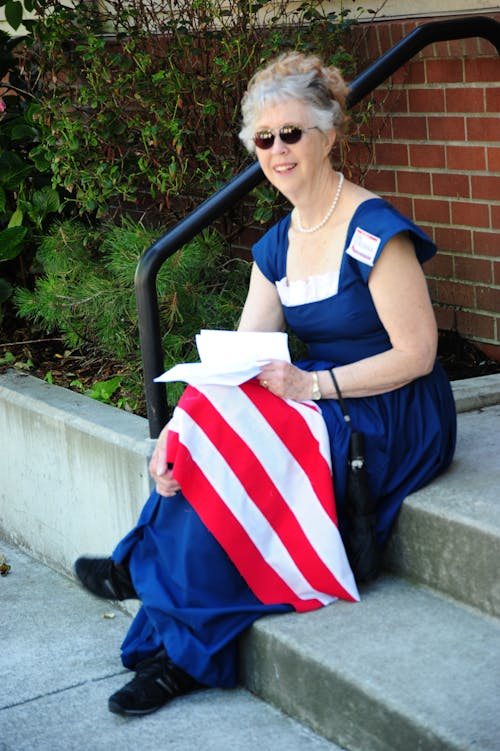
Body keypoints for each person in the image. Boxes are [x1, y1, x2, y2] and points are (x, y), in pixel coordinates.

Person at [75, 52, 456, 717]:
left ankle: (166, 621)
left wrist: (314, 386)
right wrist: (172, 437)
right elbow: (238, 359)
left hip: (390, 408)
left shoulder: (373, 230)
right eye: (264, 138)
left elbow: (418, 354)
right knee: (205, 427)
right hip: (322, 396)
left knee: (247, 457)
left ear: (328, 134)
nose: (277, 150)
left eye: (292, 134)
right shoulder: (276, 245)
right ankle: (159, 592)